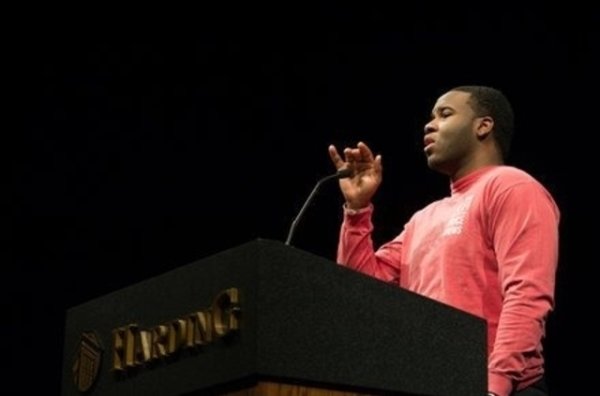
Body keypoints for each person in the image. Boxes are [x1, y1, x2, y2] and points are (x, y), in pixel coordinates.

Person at [328, 86, 559, 396]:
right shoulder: (423, 219)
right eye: (430, 116)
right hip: (429, 384)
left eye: (445, 114)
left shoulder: (511, 187)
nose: (429, 124)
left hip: (498, 387)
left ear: (483, 126)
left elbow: (527, 294)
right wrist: (357, 210)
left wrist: (495, 387)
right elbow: (360, 292)